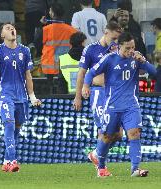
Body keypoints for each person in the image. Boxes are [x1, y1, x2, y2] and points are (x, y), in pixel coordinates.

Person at [82, 32, 156, 177]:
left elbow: (154, 73)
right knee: (107, 137)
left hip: (131, 105)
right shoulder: (109, 59)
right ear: (119, 47)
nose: (131, 51)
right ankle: (101, 167)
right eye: (127, 48)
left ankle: (135, 169)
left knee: (134, 133)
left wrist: (144, 62)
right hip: (112, 106)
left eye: (133, 47)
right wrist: (86, 86)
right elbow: (91, 73)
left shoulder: (137, 58)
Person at [0, 23, 41, 172]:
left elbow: (28, 75)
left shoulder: (25, 50)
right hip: (5, 95)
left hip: (22, 97)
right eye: (7, 28)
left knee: (16, 130)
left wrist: (32, 97)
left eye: (12, 27)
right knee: (9, 125)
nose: (11, 29)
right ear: (2, 35)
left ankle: (5, 161)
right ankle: (12, 160)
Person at [73, 21, 122, 173]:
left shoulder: (117, 50)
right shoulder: (91, 49)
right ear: (106, 32)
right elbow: (82, 73)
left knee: (118, 134)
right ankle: (101, 167)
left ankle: (95, 154)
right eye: (113, 38)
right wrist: (78, 96)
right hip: (98, 93)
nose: (115, 42)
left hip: (114, 94)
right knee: (105, 131)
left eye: (117, 39)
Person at [41, 2, 77, 76]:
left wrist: (42, 25)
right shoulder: (72, 30)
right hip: (66, 67)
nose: (49, 12)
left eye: (50, 11)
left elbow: (38, 44)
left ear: (53, 14)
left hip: (50, 68)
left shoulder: (46, 29)